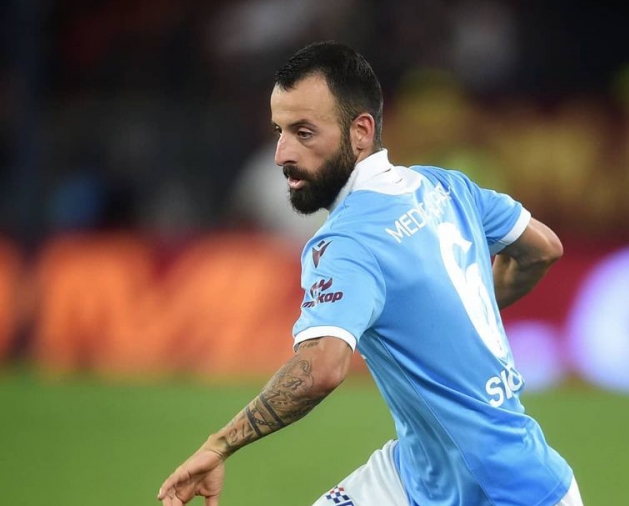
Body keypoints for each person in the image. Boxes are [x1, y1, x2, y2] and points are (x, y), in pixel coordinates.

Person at [157, 41, 582, 506]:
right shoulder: (444, 186)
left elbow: (321, 368)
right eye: (280, 131)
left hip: (502, 492)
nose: (281, 154)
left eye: (304, 133)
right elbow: (542, 248)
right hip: (428, 474)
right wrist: (454, 315)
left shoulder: (347, 241)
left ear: (360, 131)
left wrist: (220, 444)